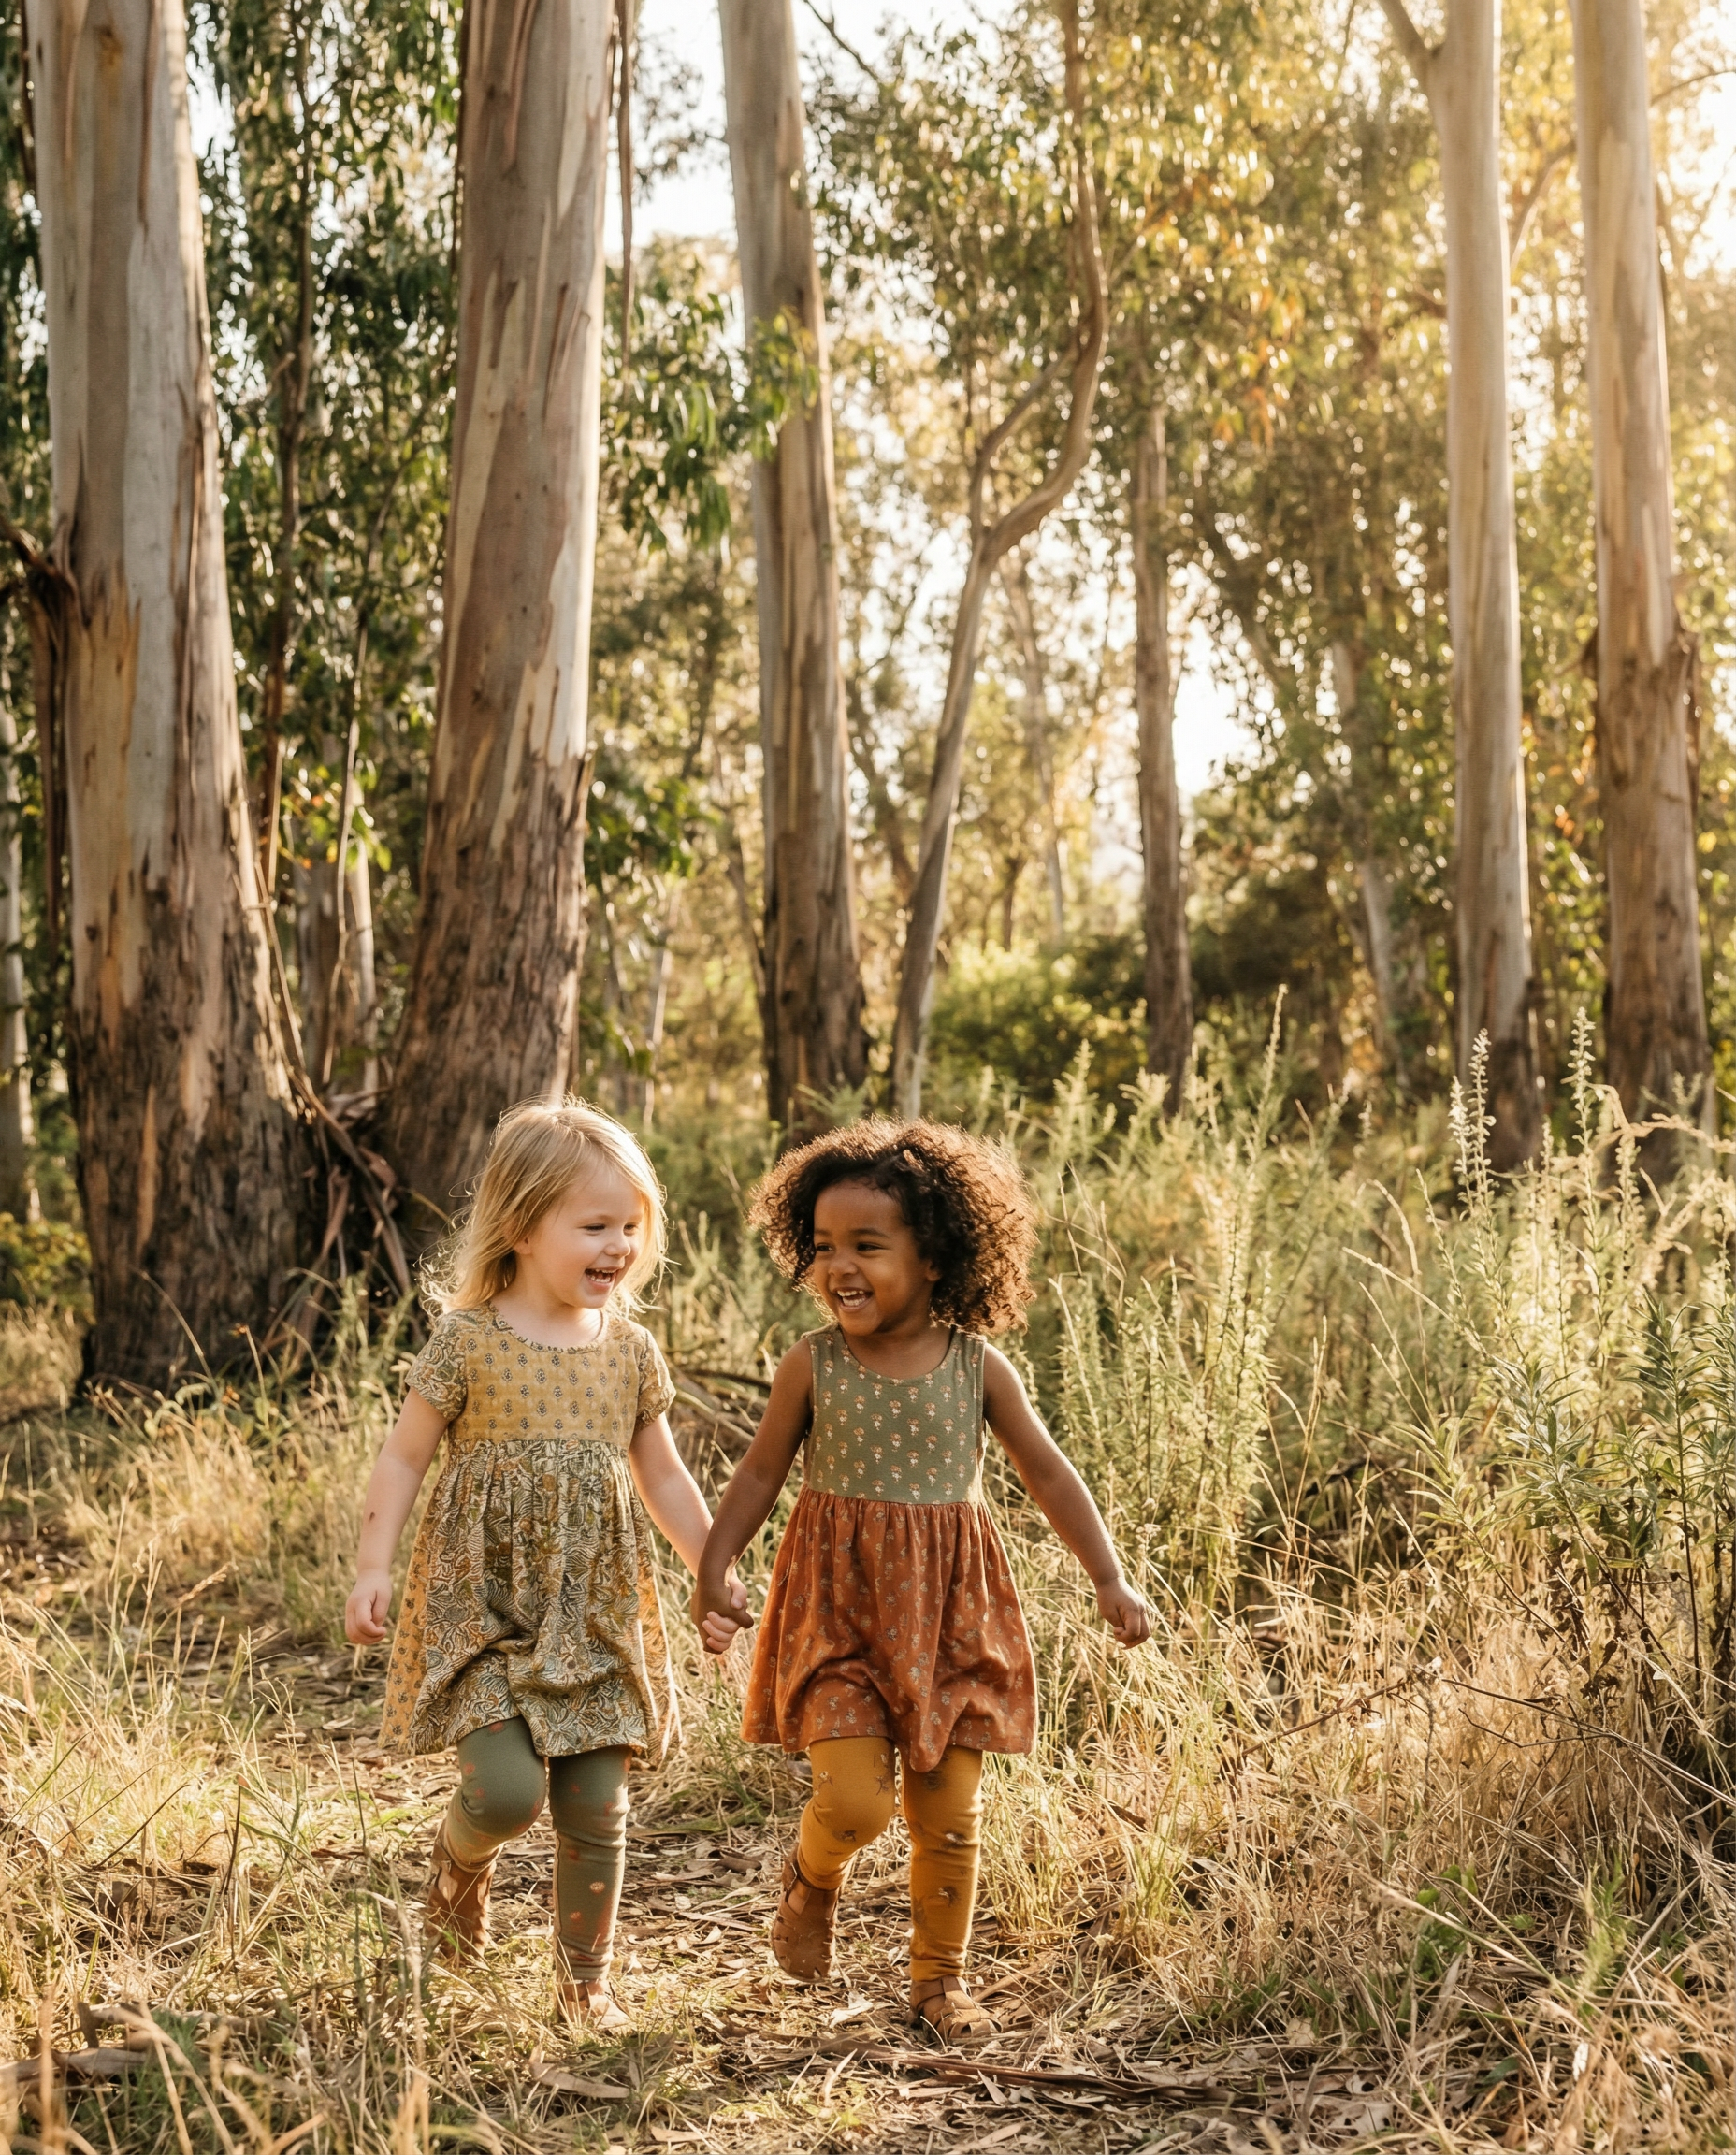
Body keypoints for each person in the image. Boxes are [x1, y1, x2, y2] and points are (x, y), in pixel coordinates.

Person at [690, 1118, 1150, 2046]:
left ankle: (938, 1984)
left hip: (950, 1613)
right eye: (822, 1247)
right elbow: (755, 1475)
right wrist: (715, 1562)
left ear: (933, 1256)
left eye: (867, 1245)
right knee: (854, 1802)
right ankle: (810, 1879)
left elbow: (1048, 1473)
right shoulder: (810, 1365)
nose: (838, 1267)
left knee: (946, 1814)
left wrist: (1106, 1576)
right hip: (838, 1613)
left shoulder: (979, 1370)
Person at [345, 1099, 742, 2032]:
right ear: (521, 1226)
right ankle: (459, 1863)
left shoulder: (631, 1354)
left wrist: (711, 1570)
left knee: (596, 1804)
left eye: (631, 1227)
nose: (618, 1246)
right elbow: (403, 1457)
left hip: (594, 1612)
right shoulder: (468, 1341)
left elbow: (664, 1476)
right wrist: (374, 1563)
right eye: (594, 1225)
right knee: (506, 1792)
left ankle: (584, 1985)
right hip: (478, 1606)